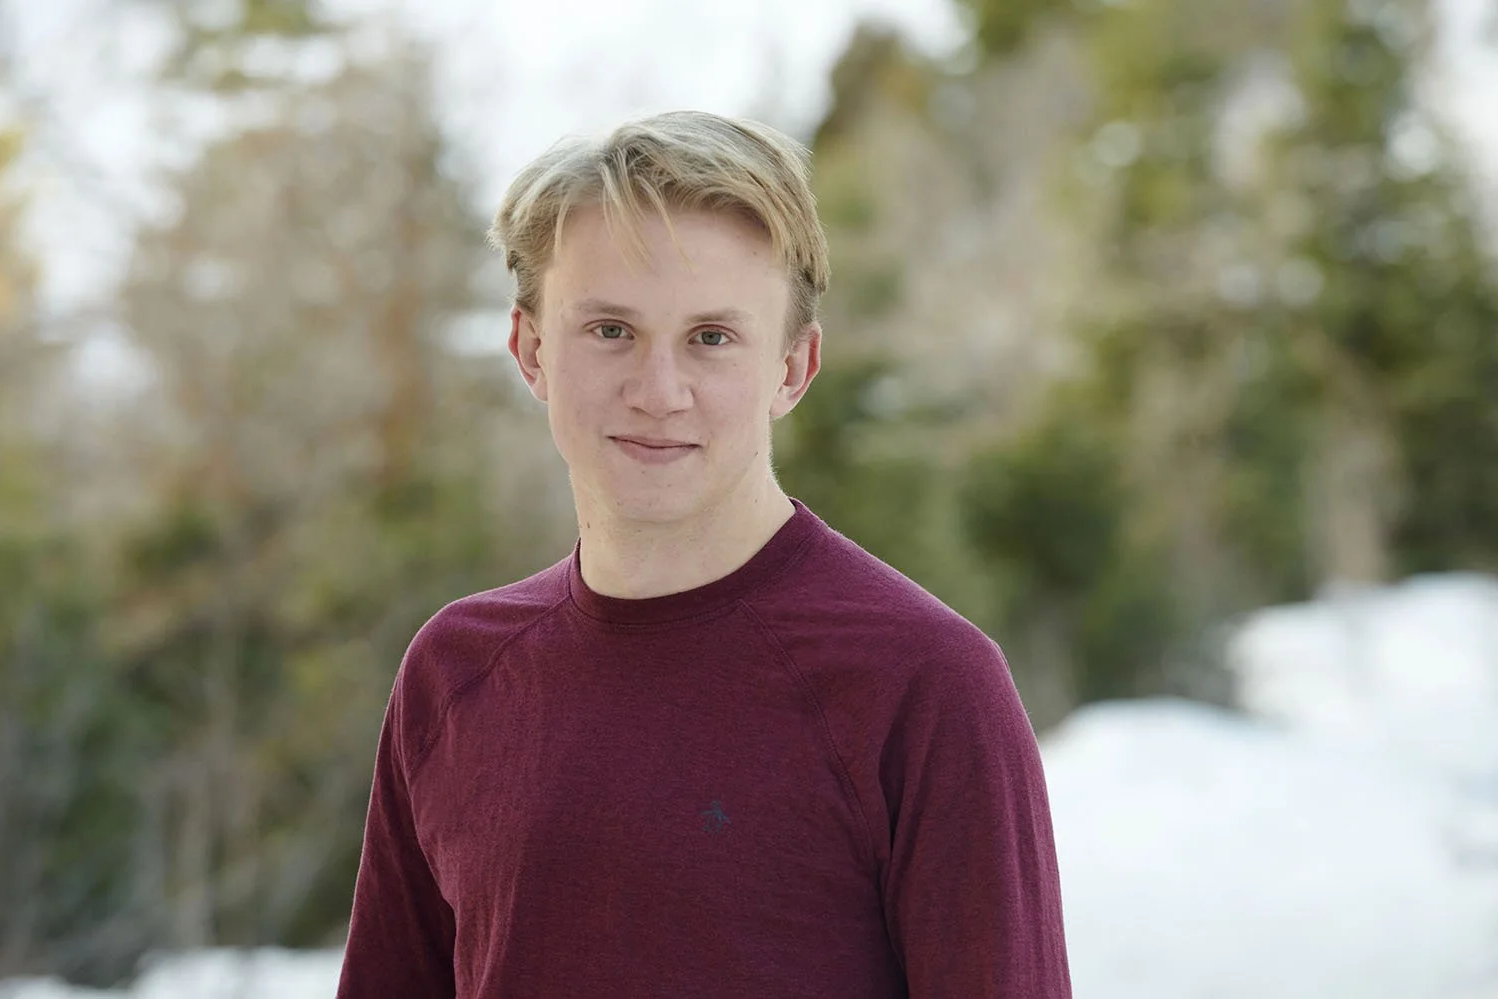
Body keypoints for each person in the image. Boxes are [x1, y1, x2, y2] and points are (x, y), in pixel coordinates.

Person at [336, 109, 1071, 998]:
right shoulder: (455, 672)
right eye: (610, 330)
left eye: (712, 338)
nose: (659, 391)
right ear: (531, 350)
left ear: (792, 369)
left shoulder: (924, 682)